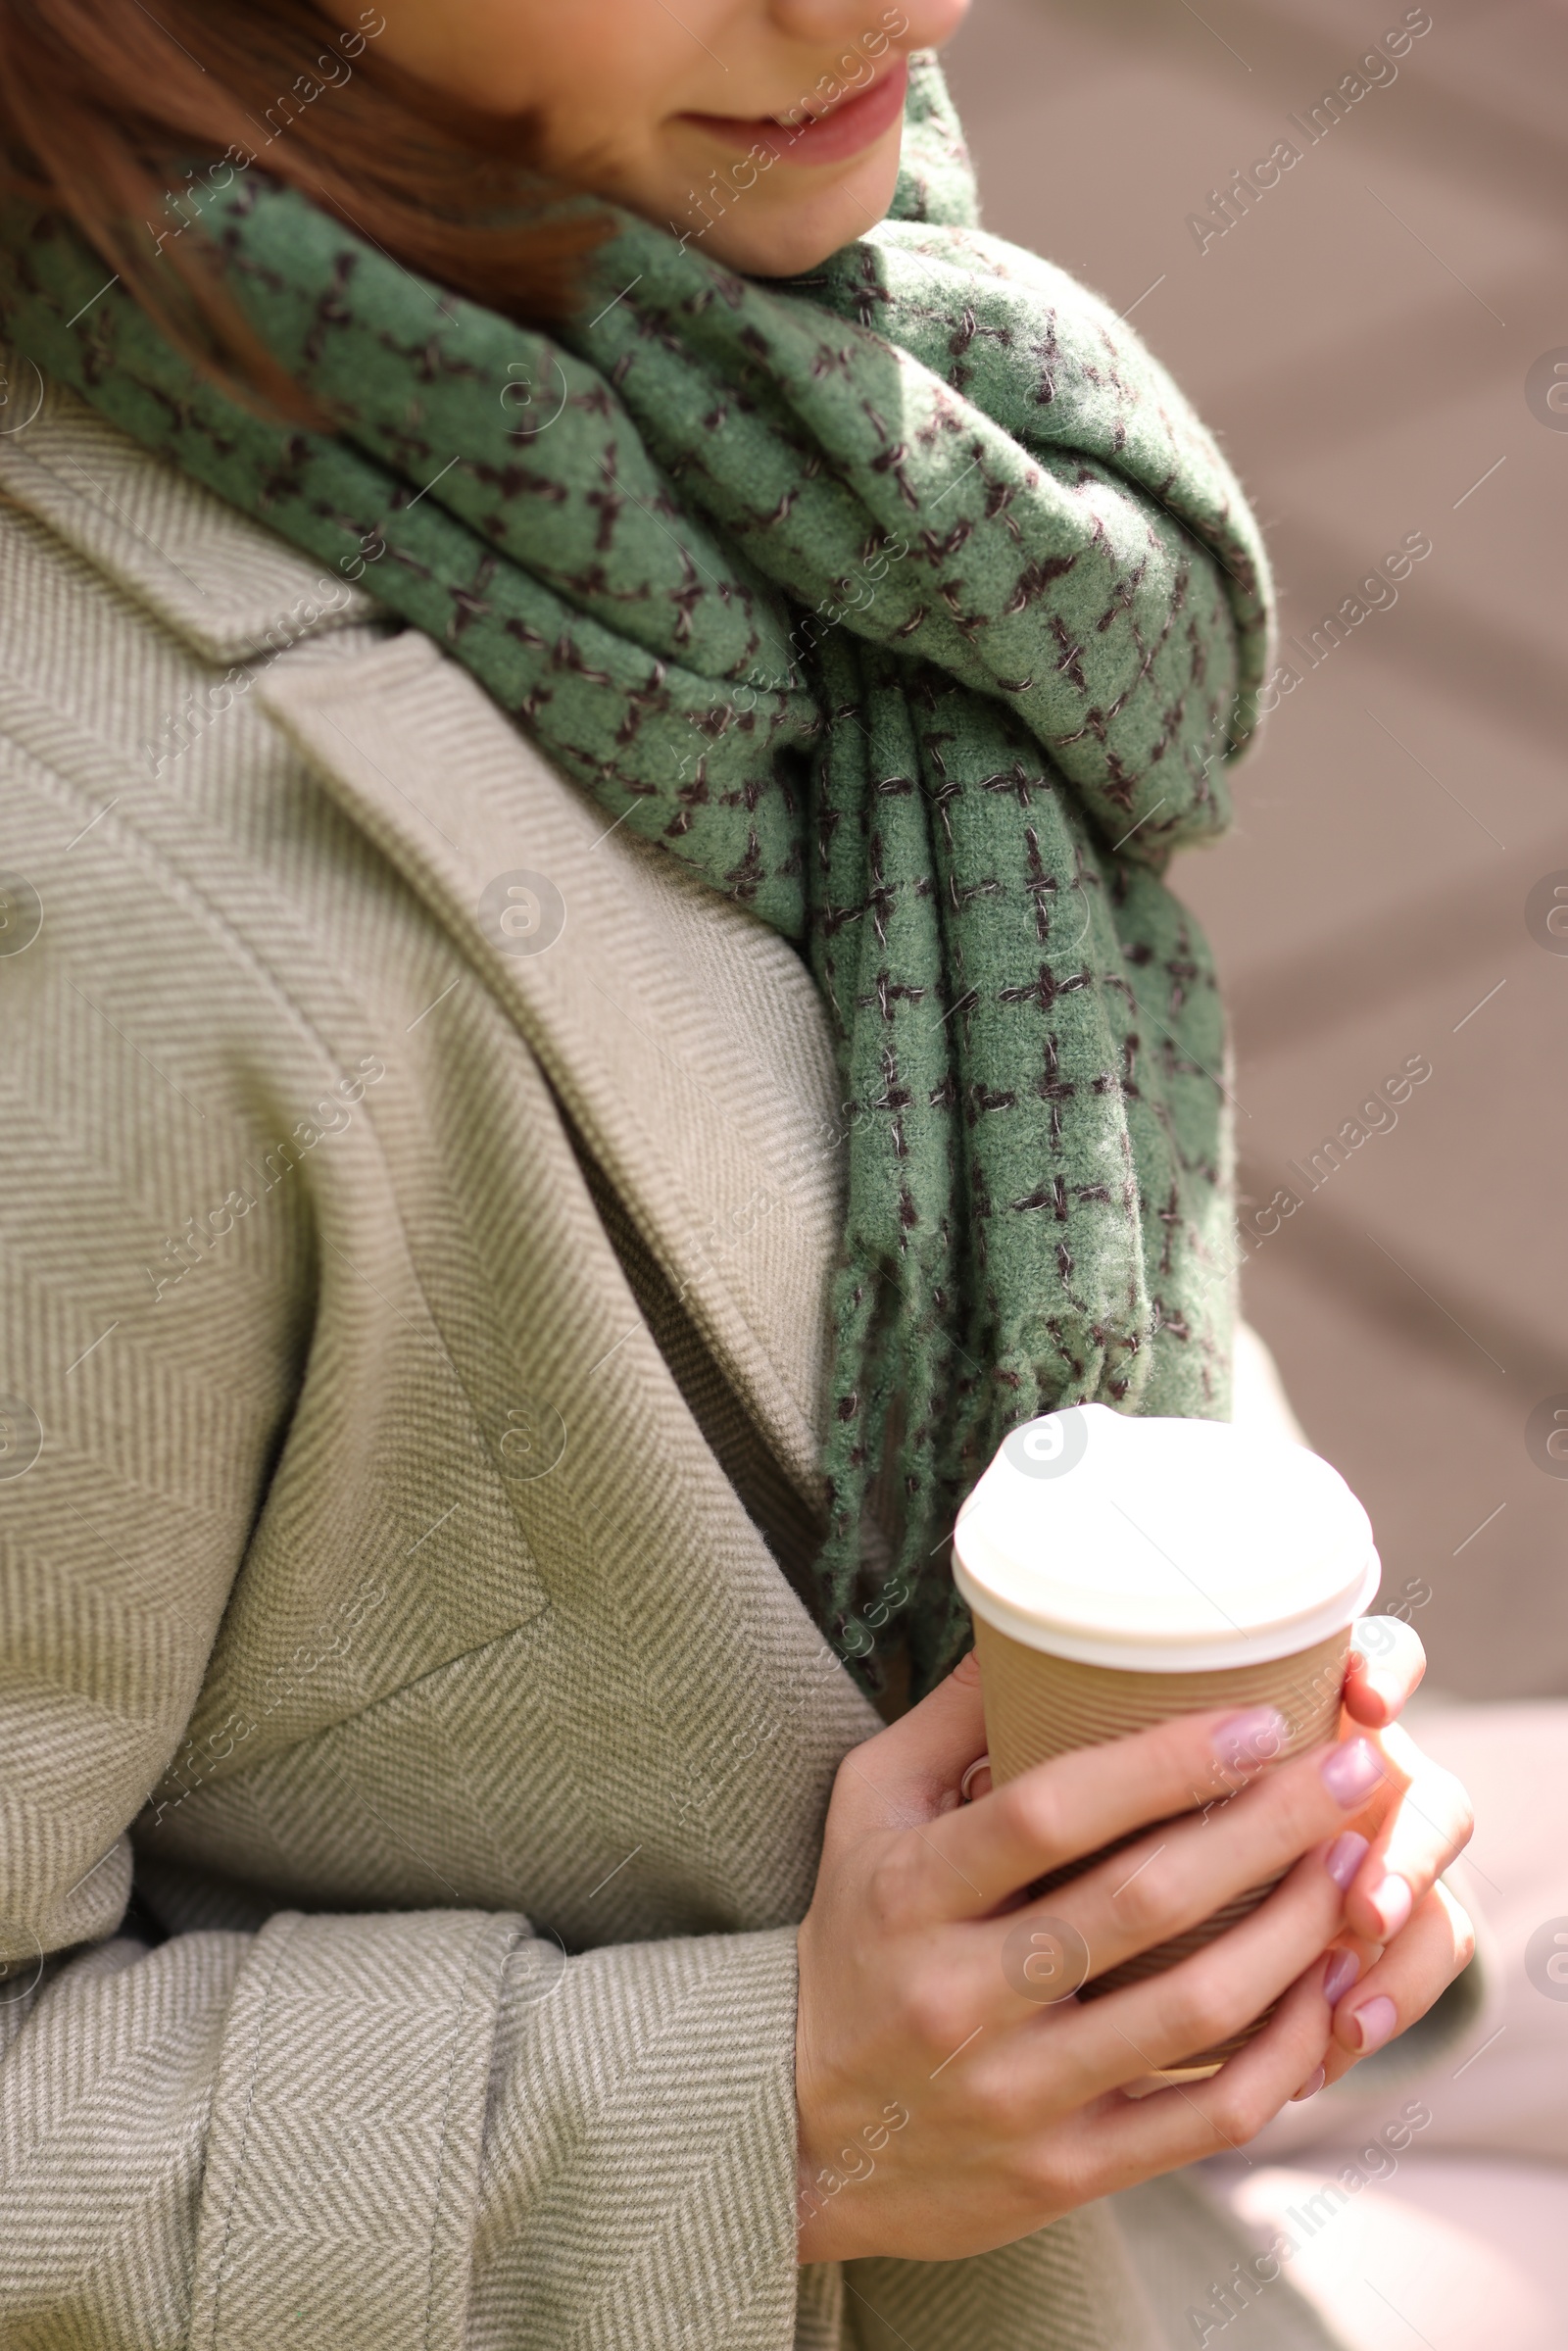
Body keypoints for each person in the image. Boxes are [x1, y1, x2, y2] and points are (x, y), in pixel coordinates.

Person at [0, 3, 1479, 2344]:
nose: (901, 2)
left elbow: (992, 1138)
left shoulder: (754, 324)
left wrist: (1253, 1725)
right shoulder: (76, 868)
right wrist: (746, 2115)